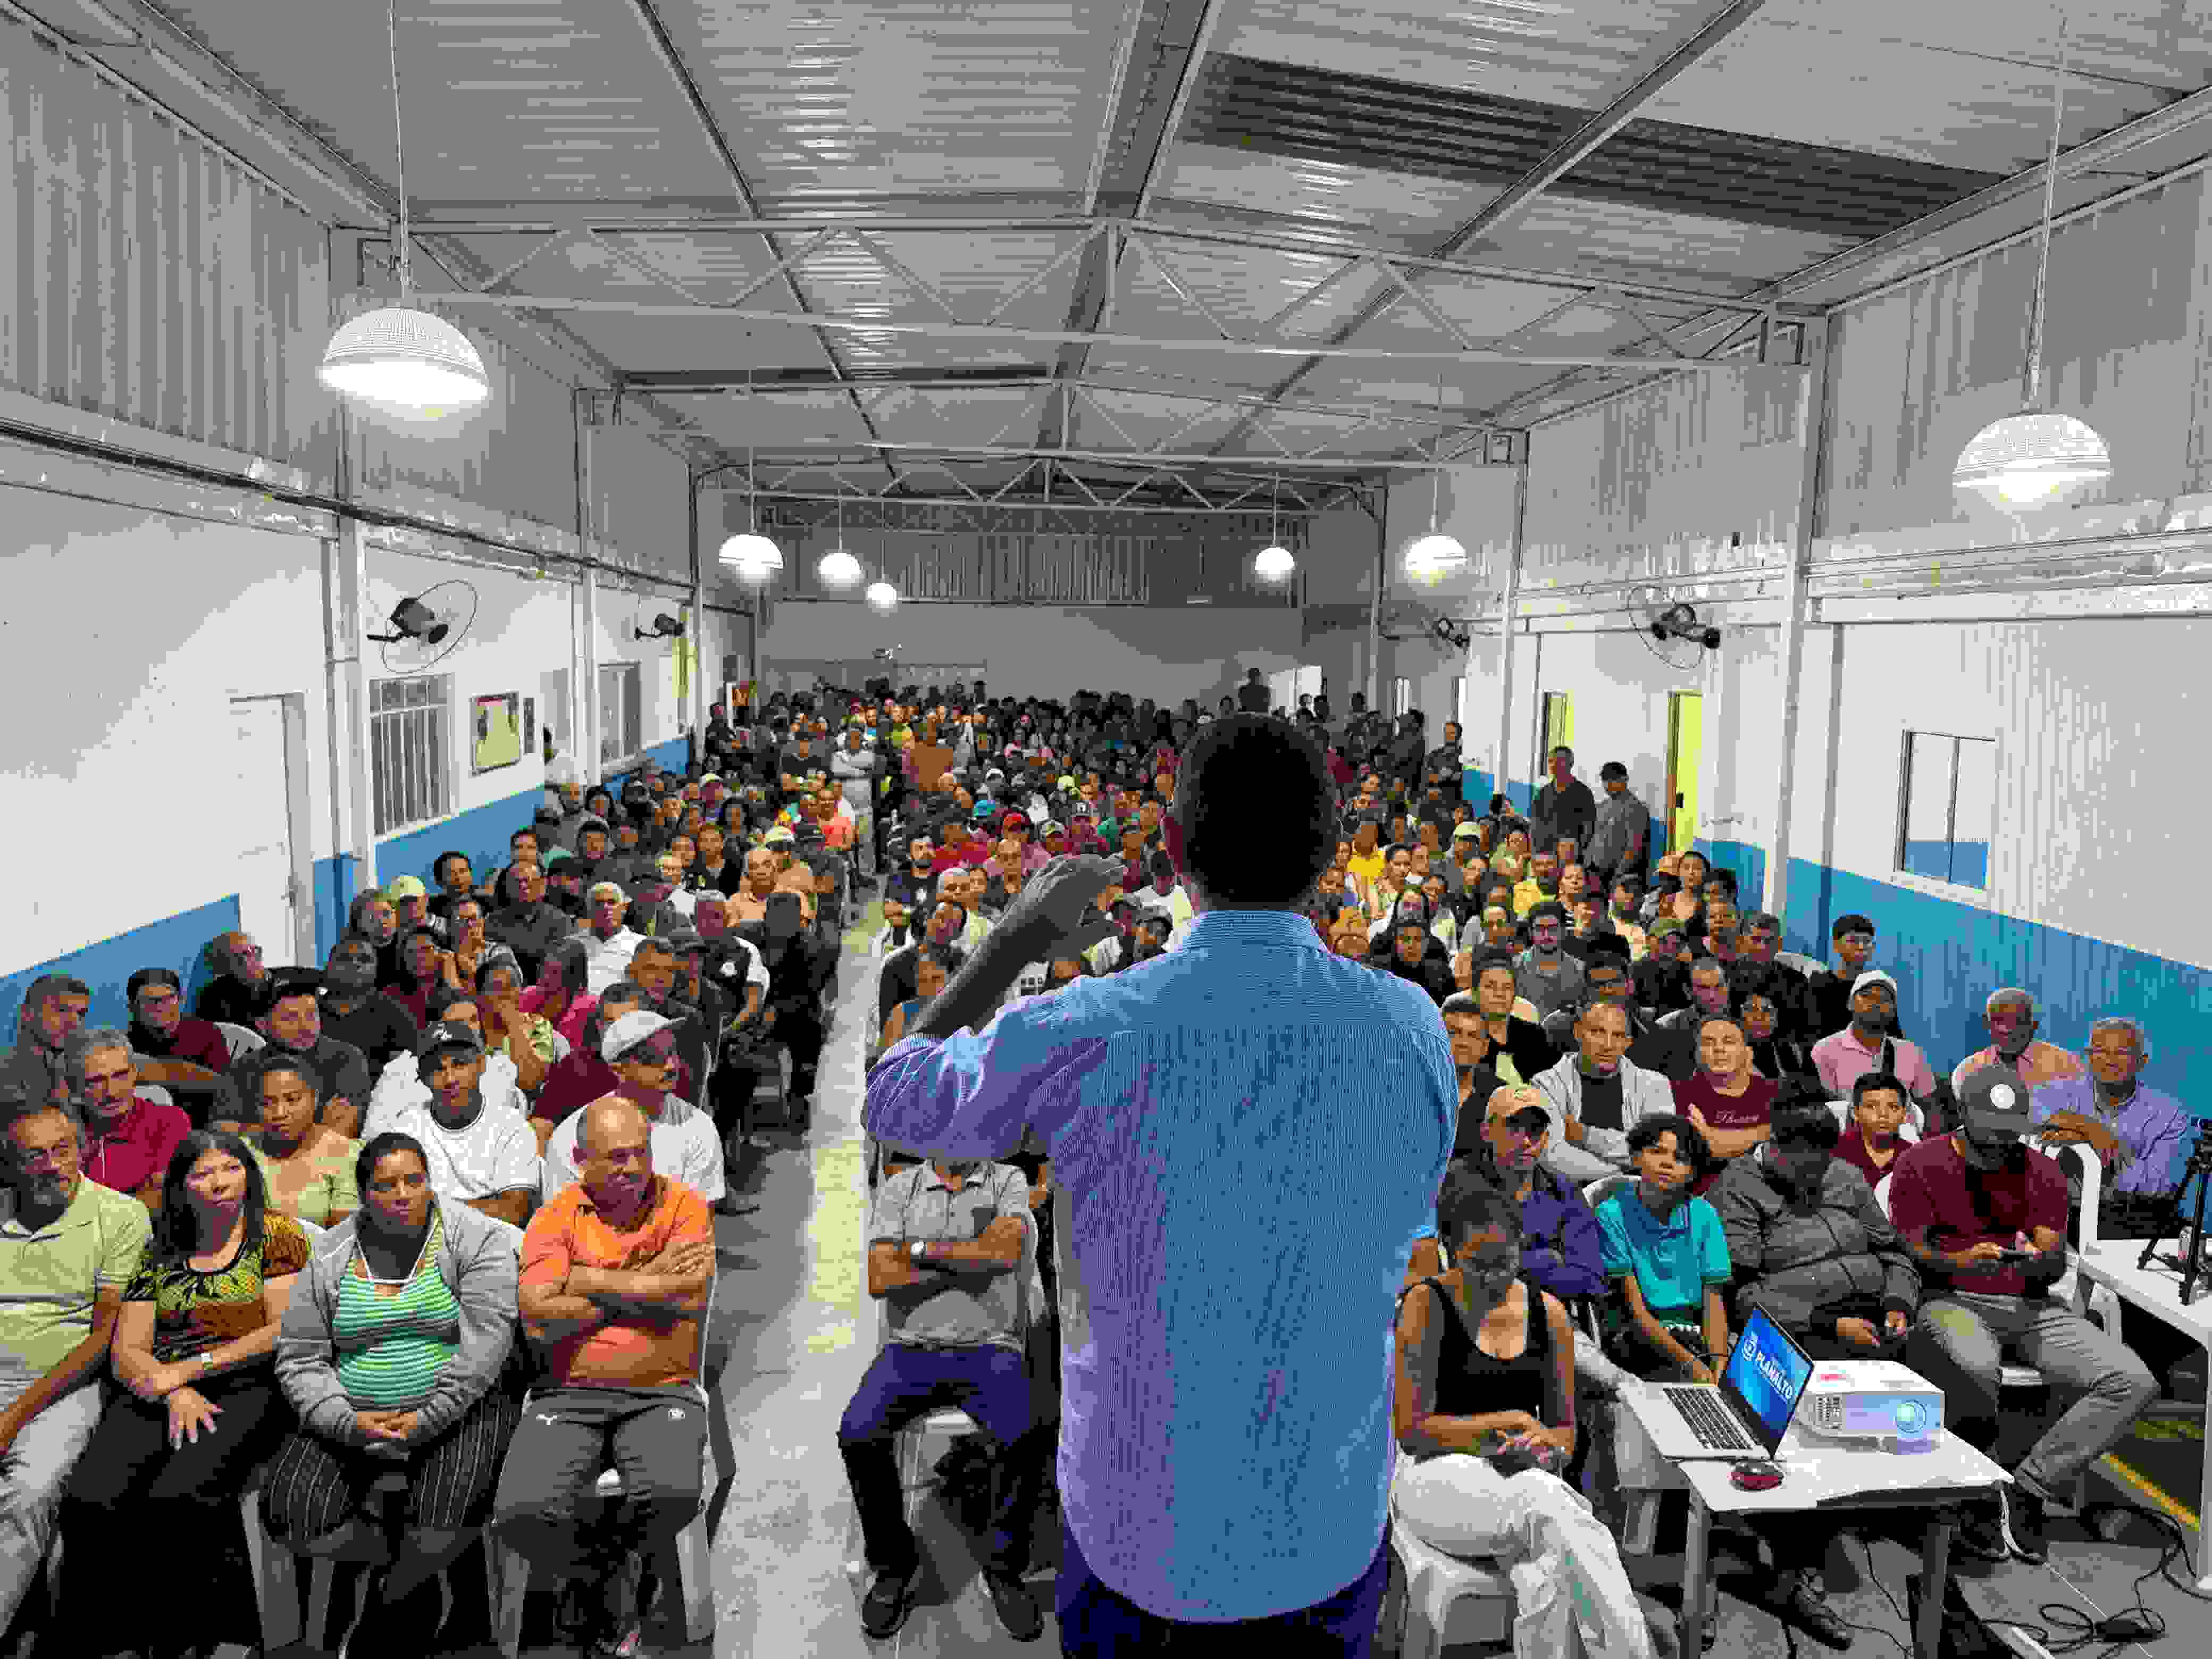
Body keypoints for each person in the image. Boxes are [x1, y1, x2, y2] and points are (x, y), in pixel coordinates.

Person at [868, 714, 1455, 1650]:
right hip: (1324, 1521)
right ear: (1331, 853)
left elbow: (894, 1098)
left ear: (1174, 848)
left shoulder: (1088, 1024)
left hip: (1143, 1526)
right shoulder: (1413, 1027)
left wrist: (1012, 942)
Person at [262, 1133, 527, 1649]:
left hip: (459, 1407)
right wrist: (345, 1421)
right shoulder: (332, 1252)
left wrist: (428, 1417)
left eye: (414, 1180)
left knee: (443, 1517)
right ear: (364, 1194)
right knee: (290, 1512)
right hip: (354, 1414)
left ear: (430, 1182)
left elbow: (486, 1345)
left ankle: (390, 1597)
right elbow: (300, 1356)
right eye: (386, 1185)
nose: (403, 1194)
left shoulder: (474, 1238)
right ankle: (392, 1560)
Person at [1889, 1065, 2158, 1564]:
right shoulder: (1920, 1164)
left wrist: (2041, 1257)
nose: (1998, 1145)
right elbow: (1907, 1252)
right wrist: (1960, 1261)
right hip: (1951, 1297)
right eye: (1988, 1132)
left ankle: (2030, 1487)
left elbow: (2053, 1263)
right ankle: (1972, 1491)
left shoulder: (2041, 1172)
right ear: (1962, 1114)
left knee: (2133, 1381)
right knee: (1973, 1365)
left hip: (2032, 1306)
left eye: (2008, 1134)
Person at [58, 1128, 309, 1659]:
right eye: (203, 1173)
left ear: (249, 1175)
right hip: (161, 1384)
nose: (220, 1183)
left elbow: (281, 1332)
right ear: (181, 1185)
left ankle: (192, 1638)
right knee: (90, 1497)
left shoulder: (275, 1235)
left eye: (231, 1169)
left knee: (179, 1494)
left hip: (248, 1381)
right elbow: (128, 1349)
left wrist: (195, 1369)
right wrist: (173, 1390)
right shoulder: (161, 1247)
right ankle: (112, 1640)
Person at [1392, 1167, 1661, 1659]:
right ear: (1450, 1252)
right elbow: (1412, 1432)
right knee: (1552, 1509)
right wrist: (1506, 1425)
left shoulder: (1549, 1314)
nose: (1494, 1278)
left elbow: (1564, 1433)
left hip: (1519, 1480)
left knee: (1549, 1571)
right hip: (1434, 1476)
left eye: (1505, 1263)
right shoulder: (1427, 1305)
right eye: (1477, 1266)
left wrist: (1545, 1449)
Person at [493, 1096, 717, 1657]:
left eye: (641, 1152)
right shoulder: (555, 1217)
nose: (633, 1167)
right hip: (567, 1391)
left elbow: (688, 1296)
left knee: (670, 1494)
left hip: (662, 1387)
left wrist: (586, 1279)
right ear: (580, 1160)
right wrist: (647, 1283)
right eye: (616, 1157)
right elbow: (538, 1314)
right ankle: (601, 1574)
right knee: (521, 1513)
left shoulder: (683, 1206)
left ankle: (609, 1577)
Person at [1710, 1092, 1918, 1648]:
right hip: (1793, 1329)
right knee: (1818, 1408)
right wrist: (1829, 1324)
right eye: (1803, 1165)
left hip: (1870, 1318)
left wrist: (1898, 1303)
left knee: (1920, 1386)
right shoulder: (1737, 1187)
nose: (1814, 1175)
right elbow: (1739, 1293)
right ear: (1774, 1147)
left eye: (1821, 1163)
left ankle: (1909, 1517)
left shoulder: (1843, 1176)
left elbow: (1895, 1254)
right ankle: (1791, 1566)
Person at [839, 1134, 1054, 1642]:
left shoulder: (1006, 1181)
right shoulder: (901, 1188)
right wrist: (972, 1261)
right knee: (858, 1433)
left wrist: (917, 1253)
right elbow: (880, 1276)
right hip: (910, 1350)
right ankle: (894, 1564)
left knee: (1028, 1431)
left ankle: (1004, 1566)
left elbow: (1007, 1251)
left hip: (990, 1349)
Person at [0, 1091, 154, 1640]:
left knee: (30, 1488)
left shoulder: (119, 1216)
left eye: (62, 1150)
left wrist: (13, 1416)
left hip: (66, 1386)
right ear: (10, 1164)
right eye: (35, 1156)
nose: (52, 1166)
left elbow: (103, 1338)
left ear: (83, 1148)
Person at [363, 1022, 540, 1229]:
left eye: (459, 1064)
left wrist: (429, 1209)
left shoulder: (511, 1126)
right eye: (438, 1069)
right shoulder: (405, 1130)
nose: (450, 1079)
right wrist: (487, 1204)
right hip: (427, 1241)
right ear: (422, 1077)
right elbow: (390, 1209)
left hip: (494, 1239)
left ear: (481, 1065)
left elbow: (515, 1213)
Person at [1593, 1115, 1729, 1381]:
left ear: (1693, 1172)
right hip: (1638, 1334)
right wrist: (1692, 1366)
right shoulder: (1612, 1214)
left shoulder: (1704, 1215)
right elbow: (1636, 1314)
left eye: (1680, 1158)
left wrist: (1718, 1361)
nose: (1667, 1163)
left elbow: (1714, 1303)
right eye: (1657, 1152)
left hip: (1694, 1333)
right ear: (1636, 1157)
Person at [541, 1012, 724, 1208]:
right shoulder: (571, 1137)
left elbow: (699, 1219)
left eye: (672, 1052)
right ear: (618, 1070)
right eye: (653, 1057)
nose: (671, 1065)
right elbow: (563, 1218)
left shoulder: (699, 1128)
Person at [64, 1027, 192, 1212]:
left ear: (134, 1073)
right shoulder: (63, 1129)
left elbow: (162, 1199)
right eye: (96, 1081)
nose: (112, 1092)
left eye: (120, 1076)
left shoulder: (169, 1122)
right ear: (74, 1086)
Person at [236, 1048, 361, 1228]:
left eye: (292, 1100)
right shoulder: (241, 1152)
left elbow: (341, 1236)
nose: (280, 1113)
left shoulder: (344, 1153)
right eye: (267, 1103)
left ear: (314, 1099)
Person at [1671, 1012, 1779, 1198]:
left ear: (1747, 1052)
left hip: (1772, 1197)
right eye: (1708, 1043)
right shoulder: (1679, 1092)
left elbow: (1793, 1143)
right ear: (1696, 1053)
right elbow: (1704, 1149)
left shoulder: (1775, 1091)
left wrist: (1717, 1137)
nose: (1719, 1049)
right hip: (1703, 1199)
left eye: (1729, 1042)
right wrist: (1767, 1132)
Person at [1831, 1070, 1914, 1191]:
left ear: (1905, 1115)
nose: (1883, 1114)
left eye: (1893, 1107)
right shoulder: (1837, 1153)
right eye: (1871, 1107)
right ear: (1855, 1113)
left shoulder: (1913, 1157)